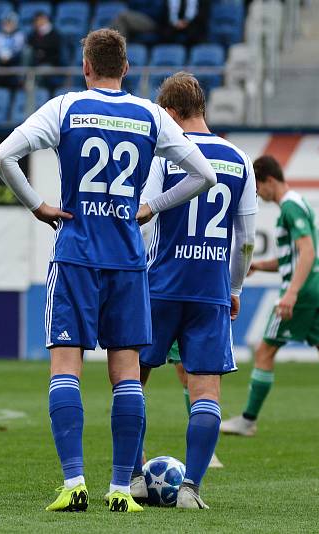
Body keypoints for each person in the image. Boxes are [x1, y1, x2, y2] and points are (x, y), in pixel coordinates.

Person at [0, 29, 216, 513]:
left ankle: (74, 484)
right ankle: (119, 489)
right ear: (127, 68)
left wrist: (36, 205)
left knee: (66, 366)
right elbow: (205, 176)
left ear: (86, 66)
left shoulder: (66, 107)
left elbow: (1, 156)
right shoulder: (152, 115)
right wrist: (152, 205)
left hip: (75, 254)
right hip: (128, 261)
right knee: (127, 374)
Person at [134, 72, 257, 509]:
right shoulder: (240, 159)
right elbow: (245, 240)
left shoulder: (162, 156)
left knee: (132, 381)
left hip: (159, 285)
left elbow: (141, 215)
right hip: (210, 291)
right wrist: (235, 286)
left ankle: (133, 476)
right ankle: (190, 489)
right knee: (206, 393)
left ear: (169, 113)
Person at [221, 155, 319, 441]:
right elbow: (294, 257)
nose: (257, 193)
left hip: (302, 292)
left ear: (269, 180)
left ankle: (247, 420)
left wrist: (291, 293)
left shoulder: (290, 207)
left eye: (258, 187)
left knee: (264, 351)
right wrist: (260, 265)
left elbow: (307, 251)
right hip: (317, 289)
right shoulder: (300, 202)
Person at [0, 11, 25, 87]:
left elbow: (19, 48)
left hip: (14, 60)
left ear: (15, 24)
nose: (8, 25)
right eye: (6, 23)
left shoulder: (20, 35)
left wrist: (9, 55)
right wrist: (1, 55)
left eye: (10, 23)